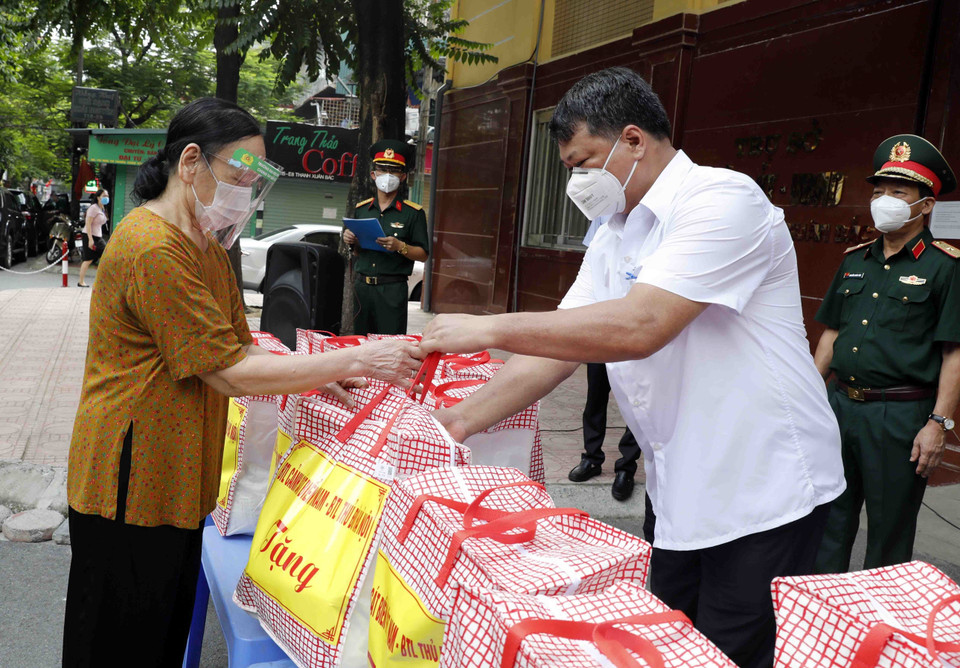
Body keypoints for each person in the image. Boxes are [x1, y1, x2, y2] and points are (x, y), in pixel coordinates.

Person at [420, 67, 845, 668]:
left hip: (763, 485)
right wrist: (453, 424)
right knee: (666, 641)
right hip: (679, 481)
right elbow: (556, 350)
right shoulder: (614, 230)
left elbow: (641, 325)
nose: (577, 181)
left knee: (731, 649)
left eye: (583, 162)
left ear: (633, 140)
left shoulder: (724, 201)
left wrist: (486, 326)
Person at [63, 98, 422, 667]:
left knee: (161, 629)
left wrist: (309, 379)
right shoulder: (151, 246)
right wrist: (352, 362)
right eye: (239, 175)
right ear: (189, 163)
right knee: (119, 638)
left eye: (256, 181)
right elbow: (228, 371)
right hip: (131, 476)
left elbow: (246, 346)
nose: (245, 193)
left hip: (177, 471)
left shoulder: (206, 243)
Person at [813, 134, 960, 575]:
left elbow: (954, 354)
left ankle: (881, 627)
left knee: (889, 530)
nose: (884, 200)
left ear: (925, 205)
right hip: (841, 406)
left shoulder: (945, 266)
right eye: (879, 191)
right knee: (827, 519)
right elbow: (829, 337)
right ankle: (820, 613)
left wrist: (938, 425)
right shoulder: (854, 259)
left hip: (898, 416)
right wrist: (805, 398)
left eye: (899, 192)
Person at [342, 139, 429, 335]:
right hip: (362, 287)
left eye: (394, 170)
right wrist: (351, 241)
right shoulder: (362, 210)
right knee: (360, 343)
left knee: (390, 344)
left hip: (391, 289)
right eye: (382, 169)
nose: (387, 175)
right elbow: (357, 251)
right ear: (373, 175)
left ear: (403, 176)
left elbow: (423, 254)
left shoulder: (413, 213)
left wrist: (400, 246)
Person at [571, 361, 641, 501]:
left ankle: (626, 468)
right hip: (600, 342)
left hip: (633, 343)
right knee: (595, 396)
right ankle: (592, 459)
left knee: (634, 402)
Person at [77, 188, 109, 287]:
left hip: (98, 236)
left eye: (107, 196)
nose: (106, 198)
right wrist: (90, 240)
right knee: (88, 259)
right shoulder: (93, 208)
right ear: (98, 197)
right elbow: (88, 223)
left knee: (106, 255)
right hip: (89, 235)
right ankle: (81, 281)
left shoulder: (102, 208)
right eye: (104, 196)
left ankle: (103, 280)